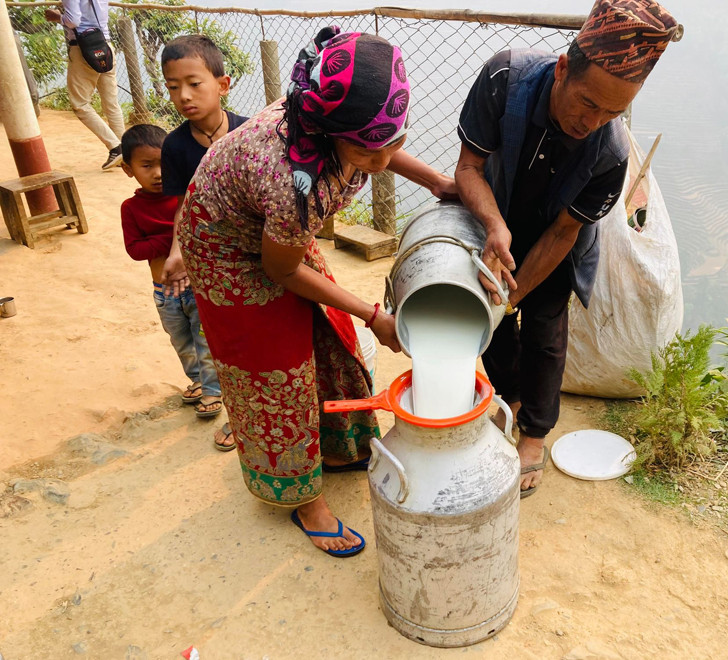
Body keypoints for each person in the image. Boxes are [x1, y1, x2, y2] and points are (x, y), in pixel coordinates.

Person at [173, 27, 456, 557]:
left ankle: (337, 446)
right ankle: (304, 500)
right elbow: (280, 270)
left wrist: (437, 182)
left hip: (277, 232)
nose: (383, 159)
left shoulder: (327, 110)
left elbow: (380, 143)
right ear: (330, 133)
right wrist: (375, 314)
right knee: (276, 375)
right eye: (367, 151)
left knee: (325, 333)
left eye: (394, 139)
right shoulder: (288, 176)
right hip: (228, 254)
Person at [454, 0, 679, 497]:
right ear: (562, 70)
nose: (592, 121)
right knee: (488, 319)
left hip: (557, 237)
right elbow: (469, 168)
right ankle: (510, 398)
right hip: (494, 213)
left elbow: (563, 233)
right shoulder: (503, 80)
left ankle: (534, 434)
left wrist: (513, 295)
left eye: (613, 112)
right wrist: (493, 223)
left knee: (545, 328)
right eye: (588, 102)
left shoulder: (610, 152)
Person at [160, 35, 249, 430]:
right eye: (173, 86)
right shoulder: (175, 147)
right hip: (211, 258)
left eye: (194, 84)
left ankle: (248, 413)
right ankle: (234, 411)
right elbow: (184, 206)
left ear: (223, 84)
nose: (184, 95)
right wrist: (177, 251)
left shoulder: (249, 133)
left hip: (251, 251)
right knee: (222, 338)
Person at [119, 124, 225, 433]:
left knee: (204, 340)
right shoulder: (132, 209)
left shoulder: (187, 199)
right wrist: (173, 237)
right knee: (181, 342)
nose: (158, 173)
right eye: (147, 165)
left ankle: (212, 390)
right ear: (128, 169)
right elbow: (135, 250)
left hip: (196, 287)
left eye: (164, 163)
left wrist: (171, 238)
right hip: (164, 292)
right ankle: (197, 379)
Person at [44, 0, 124, 170]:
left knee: (80, 104)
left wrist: (58, 17)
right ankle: (126, 152)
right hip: (105, 45)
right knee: (111, 104)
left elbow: (74, 21)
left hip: (84, 49)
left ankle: (116, 147)